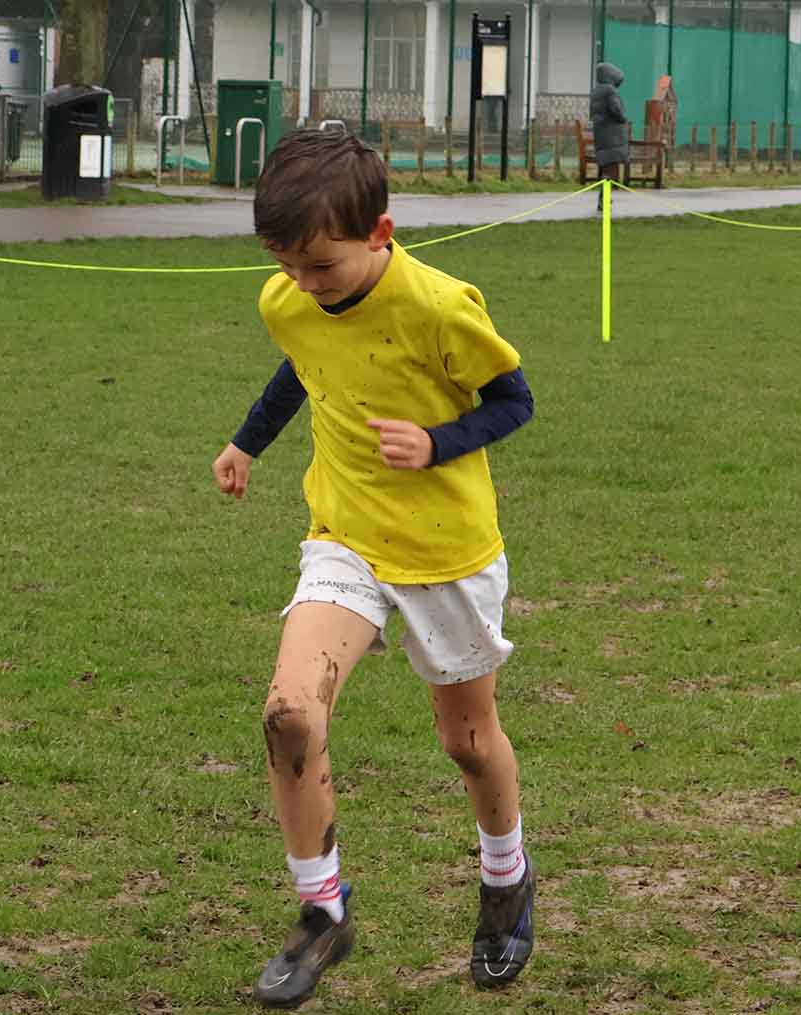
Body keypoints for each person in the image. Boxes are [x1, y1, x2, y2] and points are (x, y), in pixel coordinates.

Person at [211, 128, 537, 1010]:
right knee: (289, 712)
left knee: (467, 742)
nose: (302, 283)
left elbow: (515, 400)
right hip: (345, 537)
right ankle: (323, 911)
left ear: (380, 233)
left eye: (321, 265)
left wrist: (437, 441)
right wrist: (246, 443)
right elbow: (306, 364)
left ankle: (506, 874)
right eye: (286, 264)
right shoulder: (289, 298)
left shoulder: (439, 307)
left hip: (446, 550)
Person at [590, 61, 630, 211]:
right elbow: (616, 110)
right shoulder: (610, 91)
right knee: (611, 169)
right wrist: (624, 119)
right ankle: (605, 200)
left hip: (601, 134)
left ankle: (603, 199)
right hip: (613, 136)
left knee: (605, 168)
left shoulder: (596, 92)